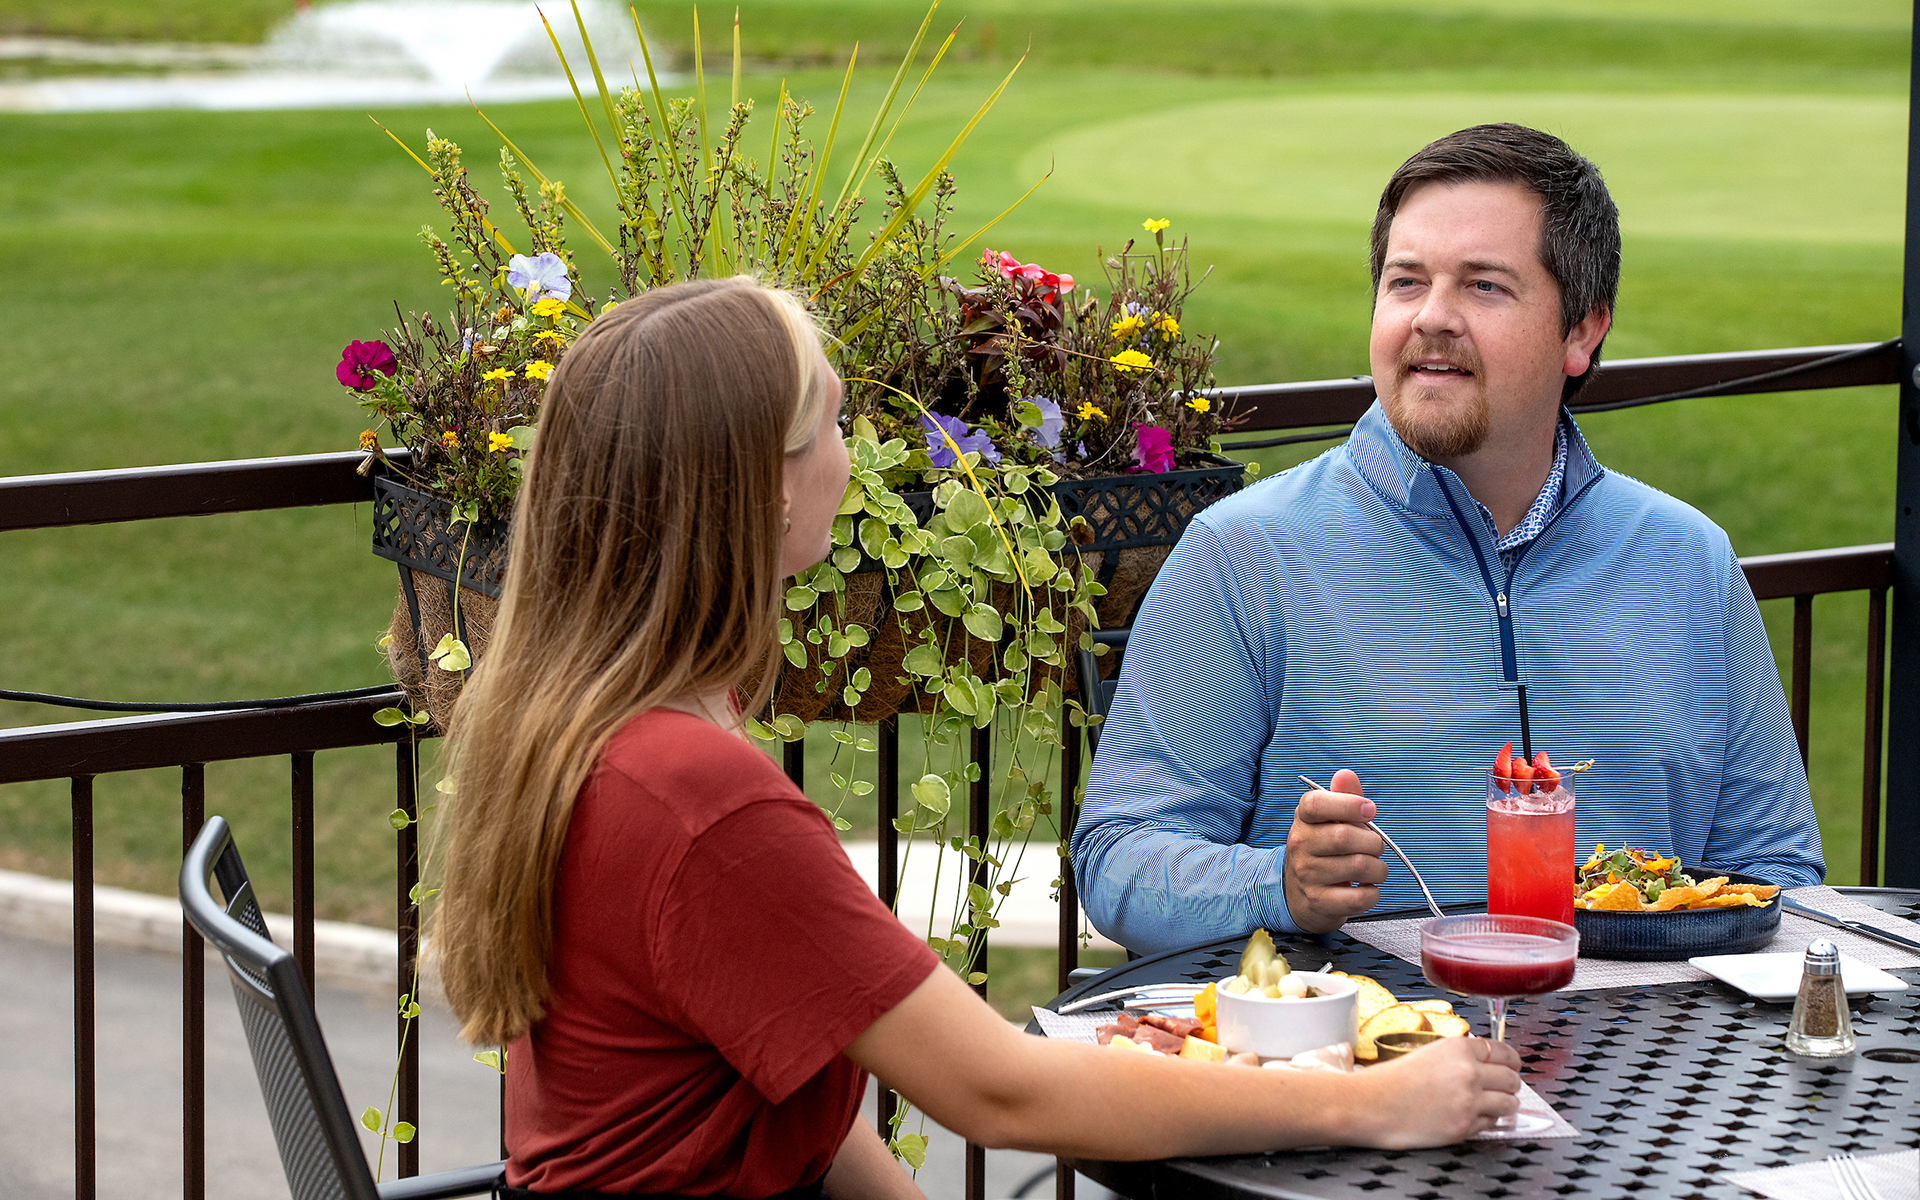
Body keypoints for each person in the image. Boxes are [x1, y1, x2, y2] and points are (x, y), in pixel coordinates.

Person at [429, 276, 1524, 1199]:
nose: (859, 452)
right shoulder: (699, 800)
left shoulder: (598, 734)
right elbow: (1002, 1090)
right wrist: (1366, 1104)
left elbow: (801, 1122)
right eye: (837, 424)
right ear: (764, 490)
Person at [1072, 123, 1825, 955]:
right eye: (1406, 282)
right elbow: (1118, 861)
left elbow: (1777, 870)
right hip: (1363, 1033)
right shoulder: (1243, 555)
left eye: (1483, 286)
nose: (1432, 317)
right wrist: (1278, 885)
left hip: (1646, 1035)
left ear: (1581, 331)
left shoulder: (1690, 561)